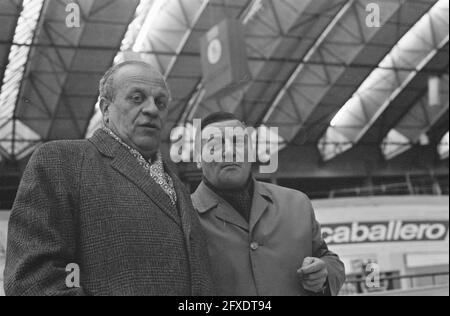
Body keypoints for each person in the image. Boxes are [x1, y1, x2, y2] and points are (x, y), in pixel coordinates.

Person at [4, 61, 215, 296]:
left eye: (160, 102)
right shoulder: (62, 161)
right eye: (137, 98)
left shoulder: (179, 187)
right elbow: (32, 279)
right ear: (105, 109)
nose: (152, 109)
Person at [191, 112, 346, 296]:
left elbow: (328, 258)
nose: (229, 151)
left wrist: (324, 274)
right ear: (198, 159)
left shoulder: (297, 204)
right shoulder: (183, 217)